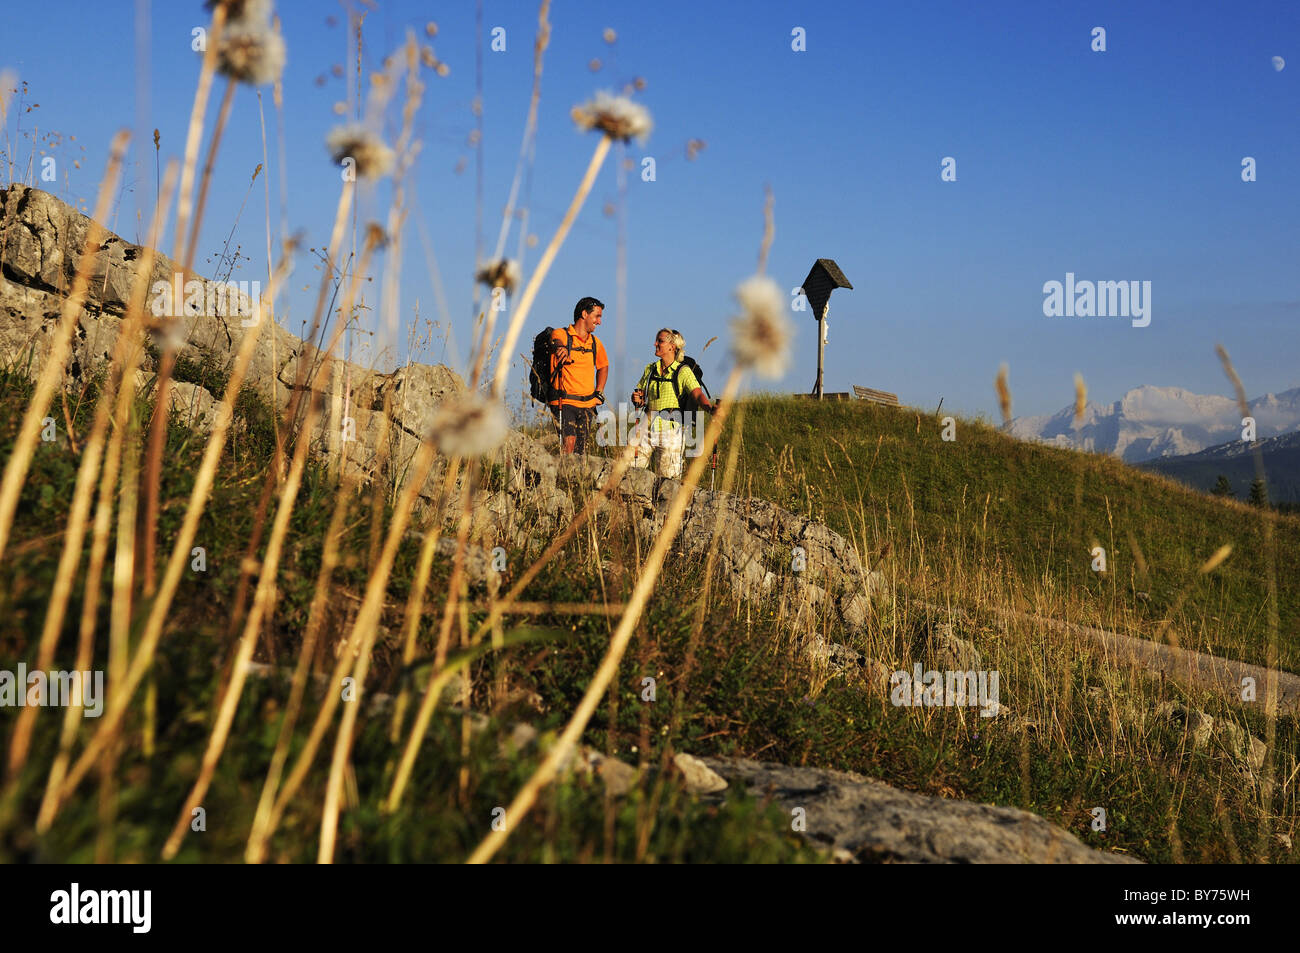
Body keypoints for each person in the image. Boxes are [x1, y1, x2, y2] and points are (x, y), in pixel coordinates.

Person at [629, 328, 717, 479]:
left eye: (660, 341)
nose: (655, 343)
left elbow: (697, 394)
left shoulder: (683, 371)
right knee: (631, 474)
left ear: (672, 346)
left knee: (668, 482)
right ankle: (638, 503)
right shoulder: (650, 369)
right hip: (646, 428)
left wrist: (709, 408)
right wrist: (636, 397)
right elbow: (640, 394)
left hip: (671, 432)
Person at [549, 296, 609, 455]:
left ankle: (573, 480)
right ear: (584, 314)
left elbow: (603, 366)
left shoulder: (596, 343)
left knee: (580, 451)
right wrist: (560, 348)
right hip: (564, 401)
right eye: (597, 316)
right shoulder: (562, 334)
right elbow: (555, 341)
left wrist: (599, 392)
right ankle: (562, 477)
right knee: (569, 443)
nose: (599, 321)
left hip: (588, 405)